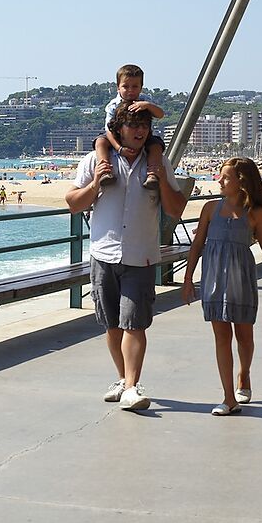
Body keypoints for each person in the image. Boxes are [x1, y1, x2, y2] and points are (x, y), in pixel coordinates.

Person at [65, 101, 187, 412]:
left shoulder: (157, 163)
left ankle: (132, 386)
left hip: (141, 256)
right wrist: (96, 184)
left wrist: (160, 180)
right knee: (112, 325)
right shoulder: (96, 160)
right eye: (133, 125)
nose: (139, 130)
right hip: (103, 254)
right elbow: (73, 203)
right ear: (119, 129)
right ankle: (122, 379)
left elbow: (176, 209)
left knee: (135, 323)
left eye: (144, 126)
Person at [181, 158, 262, 415]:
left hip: (241, 279)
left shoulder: (255, 213)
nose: (220, 181)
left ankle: (244, 374)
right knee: (221, 337)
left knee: (244, 336)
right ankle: (229, 398)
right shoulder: (209, 208)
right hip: (214, 279)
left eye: (226, 177)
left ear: (241, 182)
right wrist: (188, 280)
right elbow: (196, 247)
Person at [94, 64, 165, 189]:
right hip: (115, 135)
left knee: (156, 145)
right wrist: (118, 148)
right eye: (125, 87)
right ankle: (105, 171)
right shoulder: (113, 105)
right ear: (118, 87)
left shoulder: (145, 100)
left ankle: (152, 174)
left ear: (141, 87)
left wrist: (147, 105)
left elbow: (160, 114)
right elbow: (108, 130)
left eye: (135, 86)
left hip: (144, 135)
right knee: (100, 142)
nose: (130, 90)